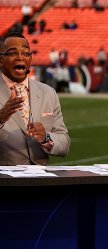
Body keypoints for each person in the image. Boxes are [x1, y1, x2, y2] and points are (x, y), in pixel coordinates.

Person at [0, 32, 70, 165]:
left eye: (26, 53)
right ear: (0, 60)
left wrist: (45, 138)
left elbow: (64, 143)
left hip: (40, 179)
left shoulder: (48, 93)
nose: (20, 57)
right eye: (13, 53)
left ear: (31, 59)